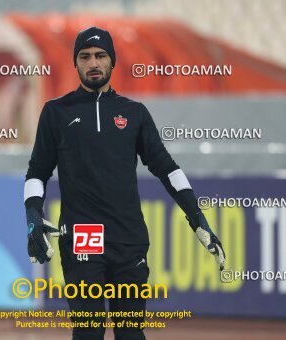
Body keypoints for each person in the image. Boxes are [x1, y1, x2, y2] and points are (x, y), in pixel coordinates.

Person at [24, 26, 225, 340]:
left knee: (131, 334)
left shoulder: (134, 113)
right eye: (85, 56)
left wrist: (197, 218)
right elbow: (37, 173)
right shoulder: (56, 113)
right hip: (82, 238)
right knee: (89, 333)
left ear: (112, 61)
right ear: (75, 63)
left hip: (129, 239)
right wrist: (32, 218)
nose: (93, 62)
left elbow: (168, 169)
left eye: (100, 55)